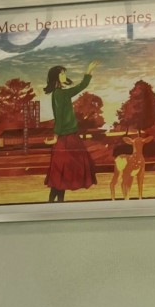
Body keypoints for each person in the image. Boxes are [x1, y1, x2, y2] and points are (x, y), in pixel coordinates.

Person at [43, 61, 99, 203]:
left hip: (69, 137)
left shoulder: (61, 93)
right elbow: (59, 117)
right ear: (56, 77)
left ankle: (57, 204)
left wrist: (89, 71)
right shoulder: (60, 94)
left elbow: (82, 86)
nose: (64, 75)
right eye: (61, 73)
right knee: (61, 174)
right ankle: (51, 205)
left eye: (64, 73)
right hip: (65, 138)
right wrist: (56, 136)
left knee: (62, 175)